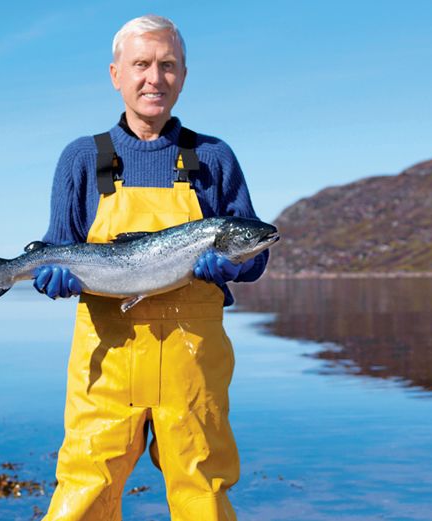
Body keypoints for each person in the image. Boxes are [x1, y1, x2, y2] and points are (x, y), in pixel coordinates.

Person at [36, 14, 268, 521]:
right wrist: (52, 280)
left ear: (183, 75)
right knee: (84, 491)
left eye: (167, 65)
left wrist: (228, 268)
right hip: (107, 356)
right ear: (115, 73)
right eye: (141, 64)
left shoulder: (214, 157)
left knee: (201, 493)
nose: (154, 78)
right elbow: (58, 246)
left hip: (192, 360)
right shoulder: (82, 157)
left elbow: (257, 255)